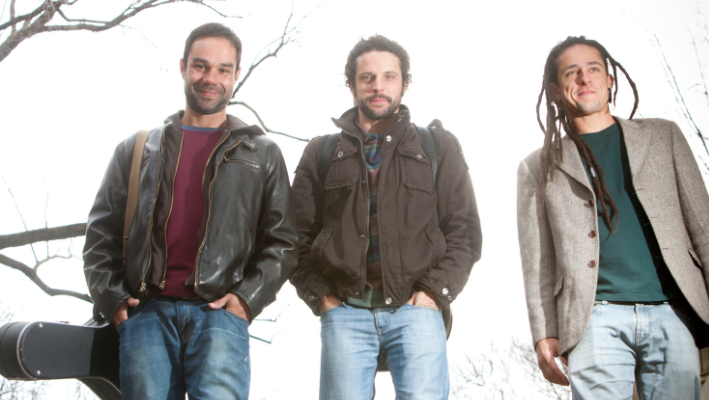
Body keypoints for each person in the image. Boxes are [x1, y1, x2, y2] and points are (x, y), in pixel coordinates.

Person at [517, 36, 709, 400]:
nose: (584, 79)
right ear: (556, 91)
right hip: (593, 319)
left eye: (593, 69)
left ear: (610, 79)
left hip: (673, 311)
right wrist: (544, 332)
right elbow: (538, 261)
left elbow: (701, 222)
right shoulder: (537, 167)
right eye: (571, 73)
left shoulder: (663, 136)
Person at [82, 22, 297, 400]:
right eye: (200, 66)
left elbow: (283, 242)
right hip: (145, 316)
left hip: (220, 317)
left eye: (222, 69)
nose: (210, 78)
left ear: (235, 75)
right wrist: (113, 300)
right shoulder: (136, 150)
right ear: (183, 67)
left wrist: (246, 300)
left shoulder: (261, 154)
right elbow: (100, 235)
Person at [290, 35, 482, 400]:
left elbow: (465, 230)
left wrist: (433, 292)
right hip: (344, 312)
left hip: (417, 308)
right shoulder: (321, 151)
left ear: (405, 83)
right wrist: (322, 298)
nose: (378, 86)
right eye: (367, 78)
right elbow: (294, 236)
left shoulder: (437, 145)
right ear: (351, 84)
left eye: (389, 77)